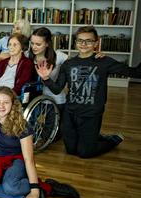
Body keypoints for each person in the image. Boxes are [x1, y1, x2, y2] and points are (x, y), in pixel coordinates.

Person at [0, 87, 80, 198]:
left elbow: (29, 159)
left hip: (17, 161)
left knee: (10, 187)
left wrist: (34, 191)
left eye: (6, 102)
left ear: (13, 104)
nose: (1, 106)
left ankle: (45, 187)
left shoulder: (22, 125)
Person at [36, 26, 141, 158]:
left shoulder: (104, 62)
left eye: (88, 41)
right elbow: (57, 90)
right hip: (70, 113)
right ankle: (93, 137)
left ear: (96, 43)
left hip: (91, 114)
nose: (83, 44)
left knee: (85, 153)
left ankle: (112, 140)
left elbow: (136, 72)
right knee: (71, 150)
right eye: (80, 40)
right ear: (75, 42)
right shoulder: (68, 64)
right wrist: (46, 78)